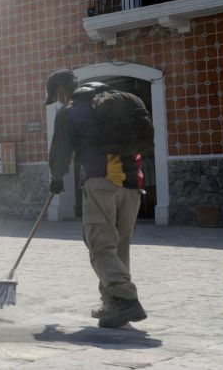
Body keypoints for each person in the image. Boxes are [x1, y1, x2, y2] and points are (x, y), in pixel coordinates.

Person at [45, 69, 150, 328]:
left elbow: (60, 151)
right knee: (118, 244)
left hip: (101, 181)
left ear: (60, 90)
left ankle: (125, 299)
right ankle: (112, 302)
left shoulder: (70, 110)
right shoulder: (122, 99)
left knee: (100, 245)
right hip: (132, 183)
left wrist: (56, 178)